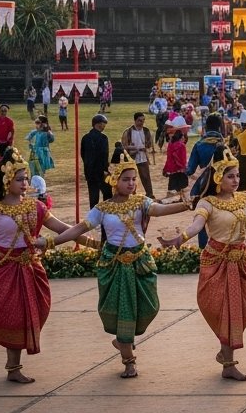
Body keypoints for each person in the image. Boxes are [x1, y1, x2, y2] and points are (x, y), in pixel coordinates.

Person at [48, 149, 195, 378]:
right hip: (114, 264)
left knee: (150, 306)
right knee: (123, 311)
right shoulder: (102, 209)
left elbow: (160, 210)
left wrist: (186, 204)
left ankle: (123, 342)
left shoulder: (141, 203)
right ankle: (128, 359)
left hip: (140, 262)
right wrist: (51, 242)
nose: (131, 184)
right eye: (126, 179)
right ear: (114, 181)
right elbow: (78, 229)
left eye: (134, 179)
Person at [0, 151, 95, 384]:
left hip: (30, 268)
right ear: (7, 181)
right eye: (19, 179)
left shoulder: (36, 207)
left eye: (26, 178)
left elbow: (64, 229)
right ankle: (13, 367)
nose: (25, 183)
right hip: (4, 270)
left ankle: (14, 367)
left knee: (28, 316)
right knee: (10, 318)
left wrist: (95, 243)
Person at [156, 147, 246, 380]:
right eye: (230, 176)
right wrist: (182, 237)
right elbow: (197, 225)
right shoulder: (207, 203)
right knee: (222, 310)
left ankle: (226, 357)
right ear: (218, 178)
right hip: (217, 262)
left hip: (242, 262)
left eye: (237, 175)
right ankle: (229, 363)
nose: (236, 180)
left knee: (244, 311)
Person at [121, 112, 157, 197]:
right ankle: (131, 194)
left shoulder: (146, 130)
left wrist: (146, 147)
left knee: (146, 176)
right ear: (135, 120)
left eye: (143, 120)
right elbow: (124, 145)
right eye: (140, 120)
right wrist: (134, 149)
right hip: (131, 157)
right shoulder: (128, 131)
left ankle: (150, 194)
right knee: (131, 177)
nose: (142, 122)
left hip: (143, 157)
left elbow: (149, 144)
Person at [81, 114, 113, 210]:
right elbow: (104, 155)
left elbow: (83, 154)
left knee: (93, 197)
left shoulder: (85, 138)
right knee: (107, 194)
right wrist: (105, 169)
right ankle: (106, 215)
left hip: (89, 171)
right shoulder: (103, 138)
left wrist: (88, 167)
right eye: (103, 124)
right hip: (101, 171)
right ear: (98, 124)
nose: (104, 126)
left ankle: (93, 218)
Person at [0, 103, 15, 173]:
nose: (3, 112)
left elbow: (12, 132)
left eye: (5, 111)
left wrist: (10, 142)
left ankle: (2, 169)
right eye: (2, 110)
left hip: (4, 142)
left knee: (3, 157)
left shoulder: (10, 121)